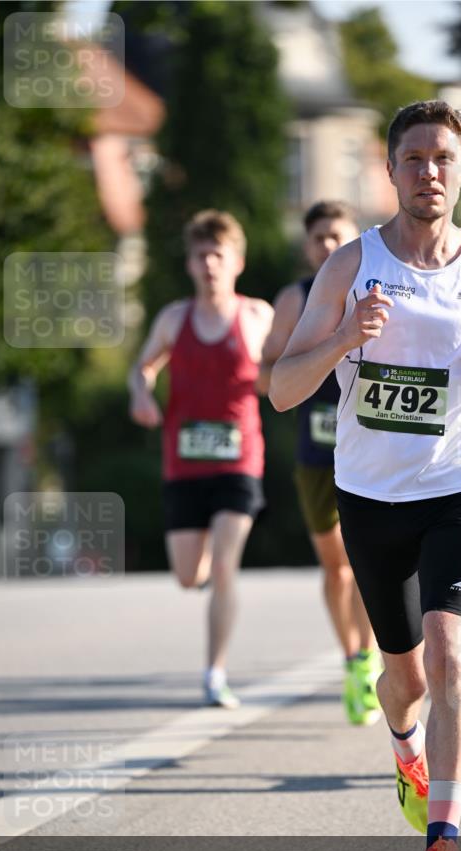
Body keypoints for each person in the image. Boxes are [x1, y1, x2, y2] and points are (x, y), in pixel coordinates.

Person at [270, 100, 461, 851]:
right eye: (414, 158)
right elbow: (284, 390)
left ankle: (442, 844)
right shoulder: (348, 266)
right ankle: (403, 746)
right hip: (368, 495)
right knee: (405, 677)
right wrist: (344, 338)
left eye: (442, 158)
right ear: (389, 171)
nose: (429, 171)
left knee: (449, 649)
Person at [128, 210, 273, 708]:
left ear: (237, 261)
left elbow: (287, 369)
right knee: (189, 576)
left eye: (218, 254)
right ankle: (207, 570)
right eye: (200, 256)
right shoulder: (173, 319)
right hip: (184, 463)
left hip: (240, 459)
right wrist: (141, 395)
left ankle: (214, 672)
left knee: (226, 567)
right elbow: (141, 368)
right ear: (189, 264)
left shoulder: (257, 317)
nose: (209, 264)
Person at [258, 201, 382, 726]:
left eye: (338, 237)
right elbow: (270, 372)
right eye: (319, 240)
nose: (329, 248)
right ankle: (352, 657)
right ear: (307, 248)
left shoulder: (378, 289)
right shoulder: (294, 297)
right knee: (337, 567)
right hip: (316, 451)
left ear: (355, 239)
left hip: (373, 445)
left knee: (370, 563)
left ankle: (369, 657)